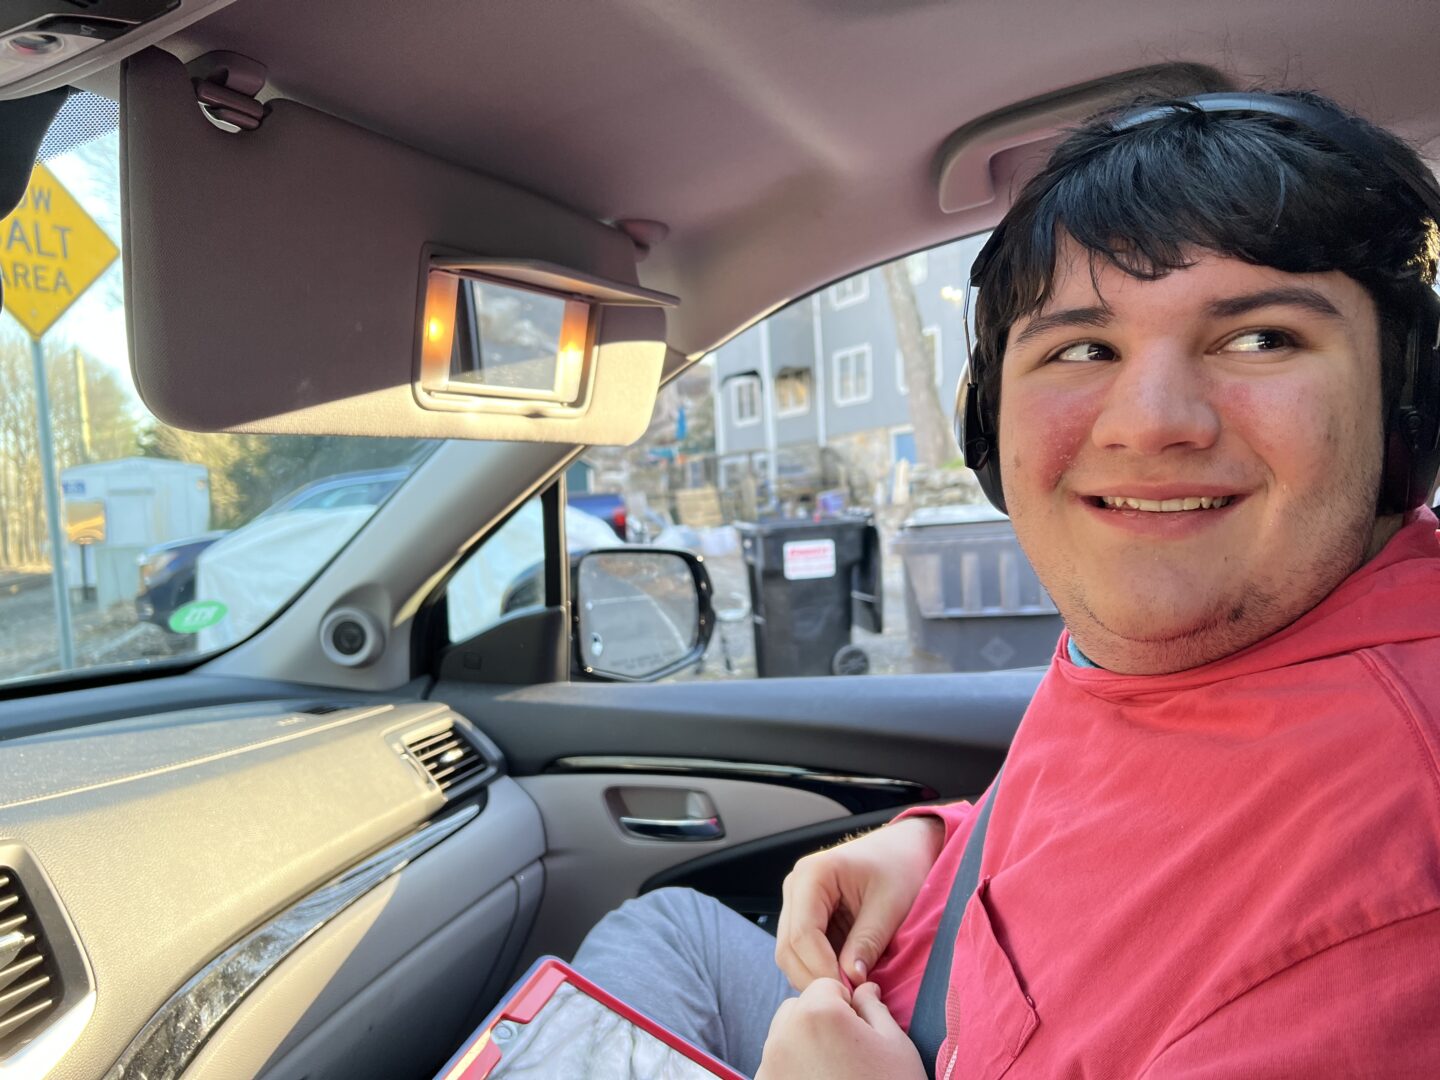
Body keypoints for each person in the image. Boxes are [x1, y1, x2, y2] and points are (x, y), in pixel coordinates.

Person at [573, 88, 1440, 1078]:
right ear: (989, 428)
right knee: (673, 930)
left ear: (1406, 406)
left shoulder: (1391, 905)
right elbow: (1125, 820)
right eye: (1082, 349)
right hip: (917, 1008)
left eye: (1259, 338)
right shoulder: (1210, 640)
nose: (1149, 422)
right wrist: (933, 850)